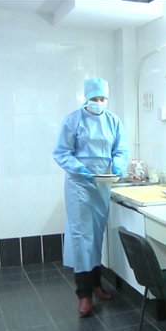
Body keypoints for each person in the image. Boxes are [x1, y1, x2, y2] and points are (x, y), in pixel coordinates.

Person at [53, 78, 130, 317]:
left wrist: (117, 166)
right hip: (80, 185)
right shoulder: (73, 120)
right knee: (81, 237)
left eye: (103, 99)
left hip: (103, 186)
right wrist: (82, 170)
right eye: (95, 99)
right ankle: (84, 294)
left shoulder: (113, 121)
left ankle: (96, 284)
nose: (99, 103)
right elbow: (61, 152)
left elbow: (121, 149)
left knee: (97, 235)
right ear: (86, 98)